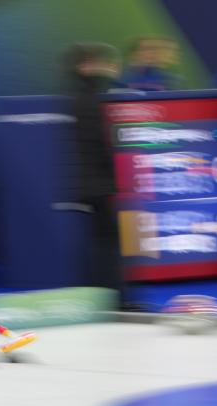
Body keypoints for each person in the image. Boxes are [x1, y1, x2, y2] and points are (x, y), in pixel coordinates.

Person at [62, 43, 127, 304]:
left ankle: (106, 295)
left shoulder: (81, 96)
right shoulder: (99, 98)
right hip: (104, 182)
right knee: (109, 241)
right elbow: (105, 142)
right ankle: (115, 297)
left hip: (92, 182)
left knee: (103, 240)